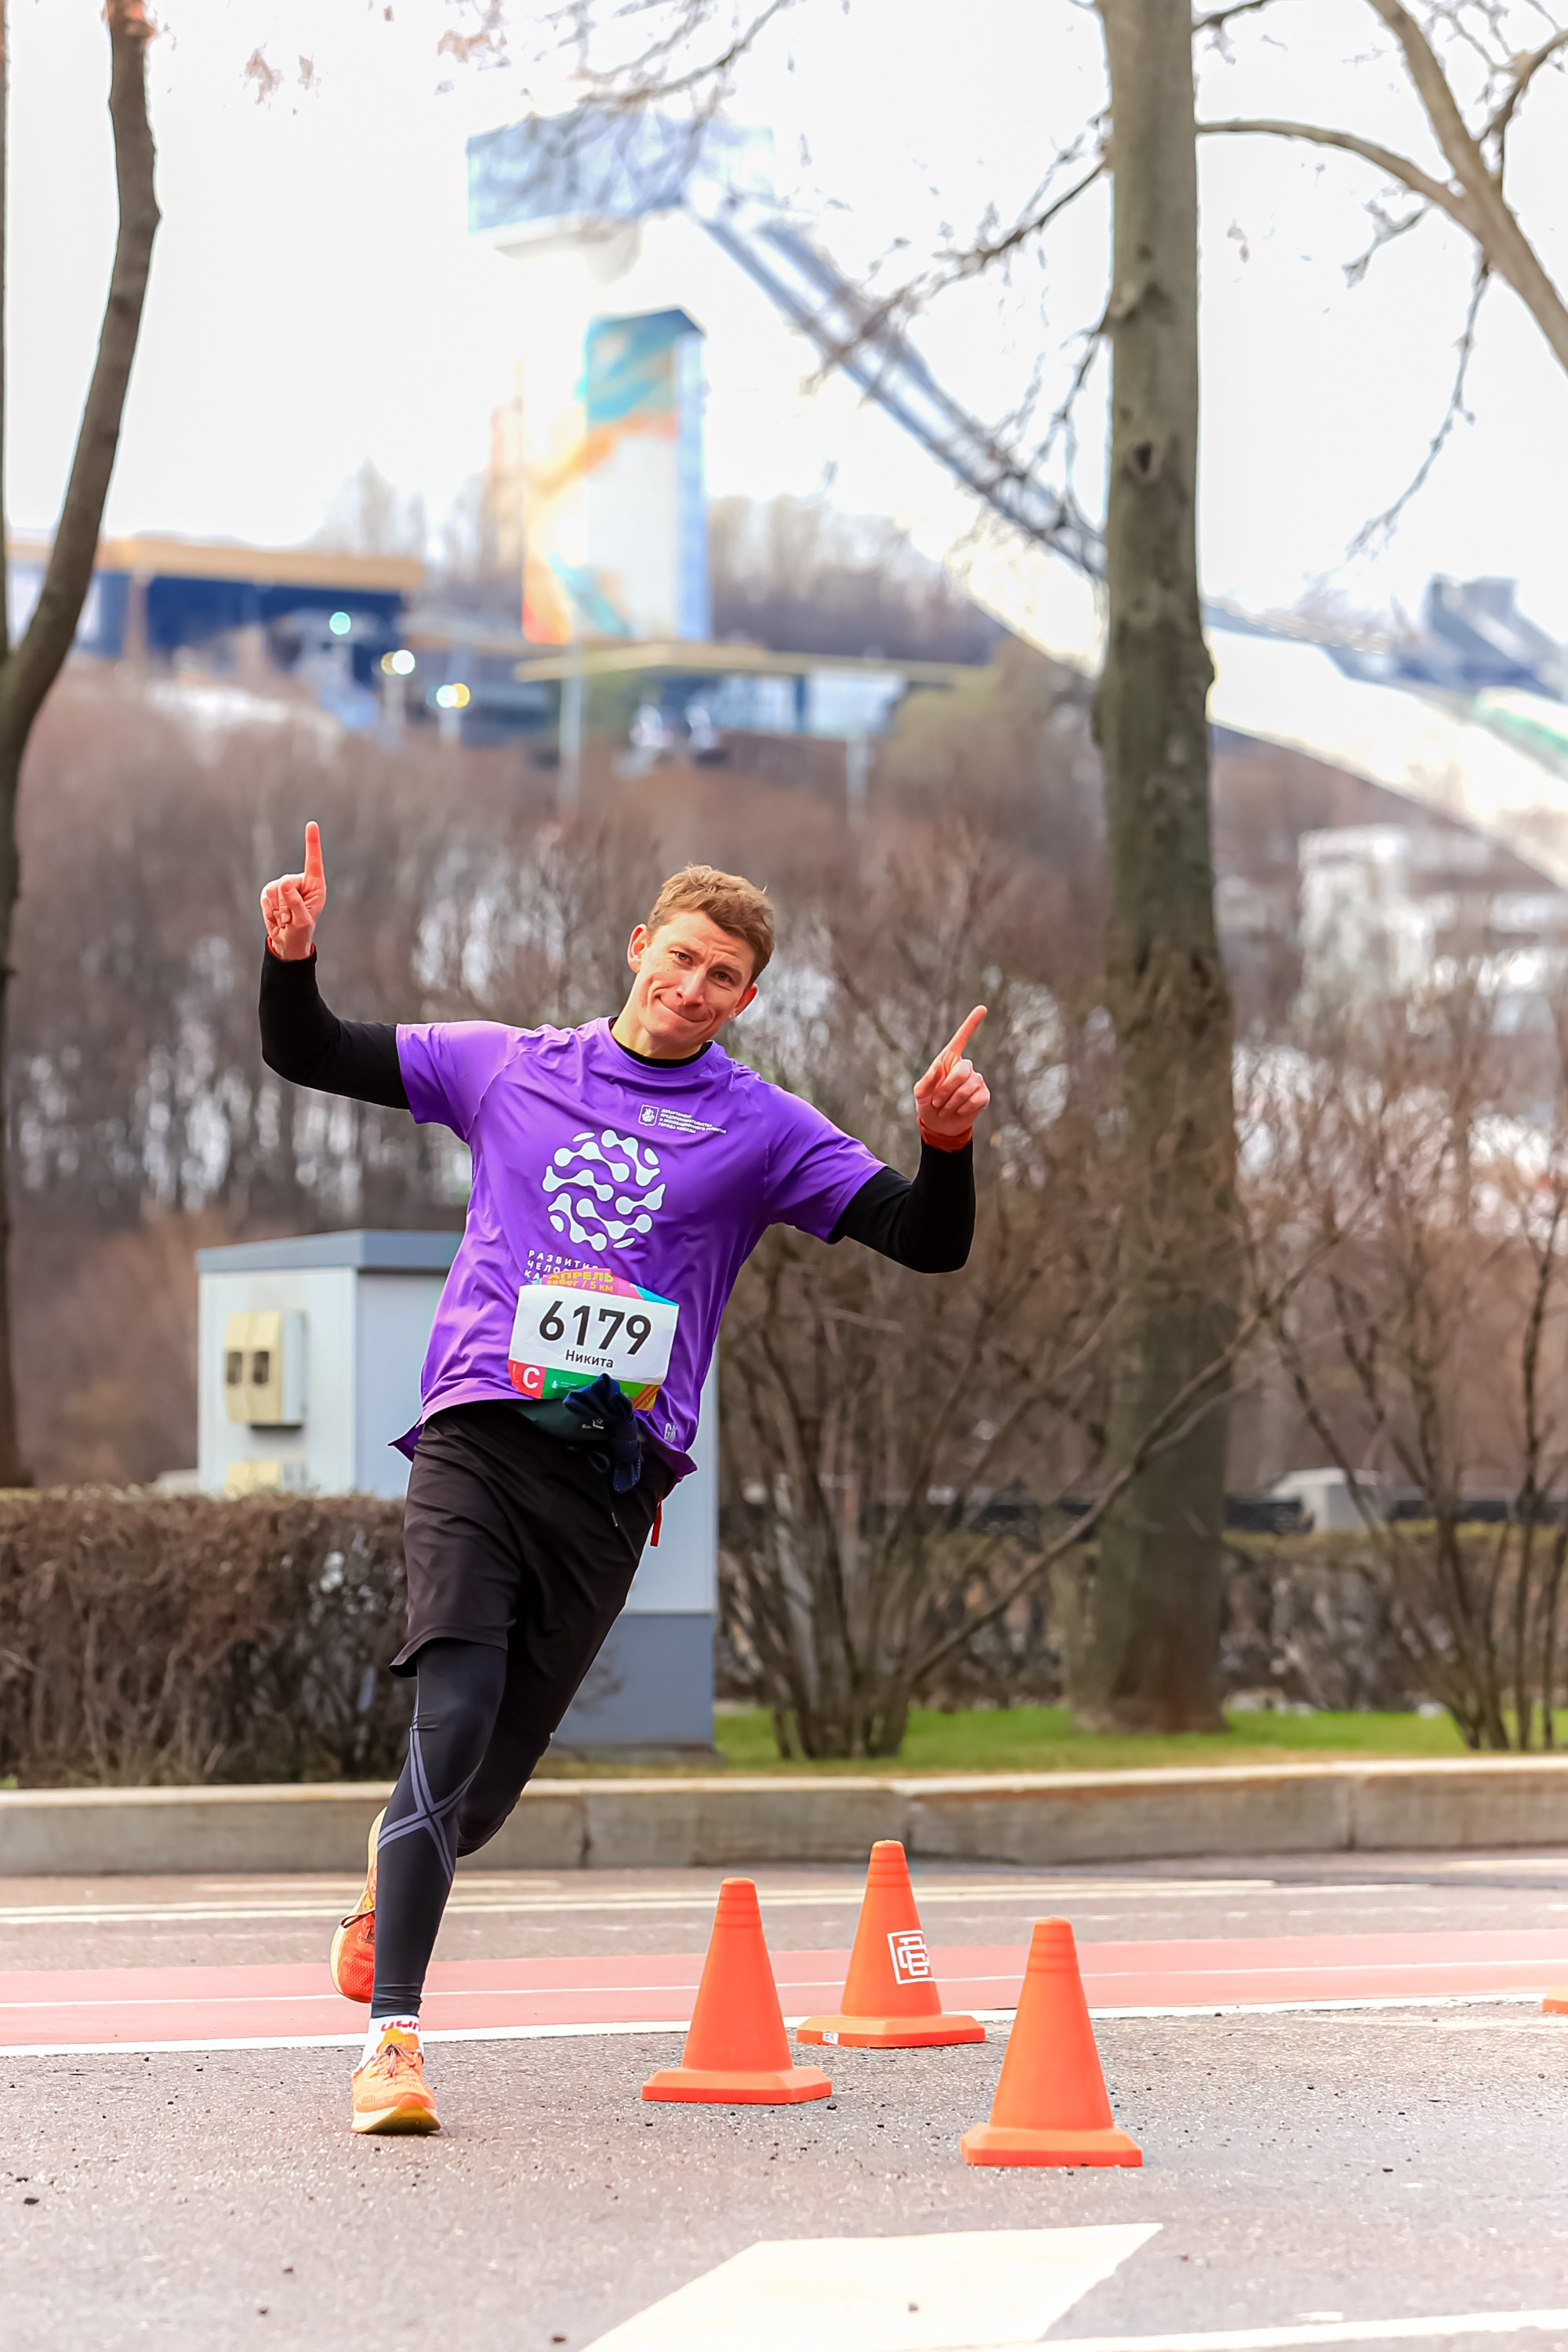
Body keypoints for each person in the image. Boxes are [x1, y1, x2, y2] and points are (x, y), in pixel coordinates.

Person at [258, 823, 989, 2135]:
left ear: (746, 1000)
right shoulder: (510, 1068)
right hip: (479, 1433)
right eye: (682, 958)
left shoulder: (761, 1128)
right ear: (638, 948)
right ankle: (394, 2043)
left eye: (725, 977)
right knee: (456, 1706)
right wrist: (293, 958)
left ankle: (392, 1890)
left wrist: (944, 1147)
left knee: (486, 1784)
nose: (694, 986)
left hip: (611, 1482)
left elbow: (924, 1243)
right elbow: (308, 1051)